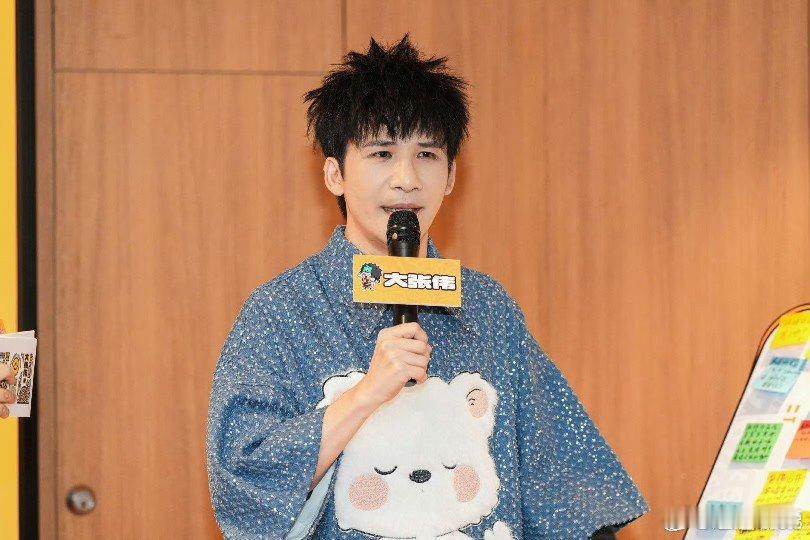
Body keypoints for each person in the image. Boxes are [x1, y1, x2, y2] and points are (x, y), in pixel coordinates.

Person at [206, 34, 649, 539]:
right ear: (334, 174)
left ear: (452, 175)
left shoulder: (487, 308)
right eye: (381, 153)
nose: (407, 178)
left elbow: (566, 490)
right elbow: (243, 486)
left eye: (427, 154)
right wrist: (368, 393)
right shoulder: (280, 313)